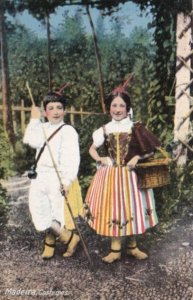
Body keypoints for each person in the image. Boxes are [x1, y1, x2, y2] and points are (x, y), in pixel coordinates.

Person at [84, 77, 161, 263]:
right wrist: (100, 158)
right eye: (114, 105)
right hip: (110, 175)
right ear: (109, 108)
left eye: (121, 106)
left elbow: (151, 150)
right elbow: (92, 149)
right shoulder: (105, 129)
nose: (117, 109)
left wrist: (136, 157)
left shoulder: (135, 127)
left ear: (127, 108)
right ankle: (115, 249)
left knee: (131, 208)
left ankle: (133, 246)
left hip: (130, 176)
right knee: (114, 209)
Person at [23, 85, 83, 259]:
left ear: (64, 110)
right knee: (39, 211)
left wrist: (67, 181)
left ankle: (49, 244)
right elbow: (30, 141)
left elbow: (72, 160)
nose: (55, 112)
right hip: (40, 176)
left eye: (59, 108)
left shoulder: (68, 131)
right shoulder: (42, 128)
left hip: (57, 177)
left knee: (56, 213)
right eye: (50, 108)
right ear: (45, 111)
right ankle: (70, 238)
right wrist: (34, 120)